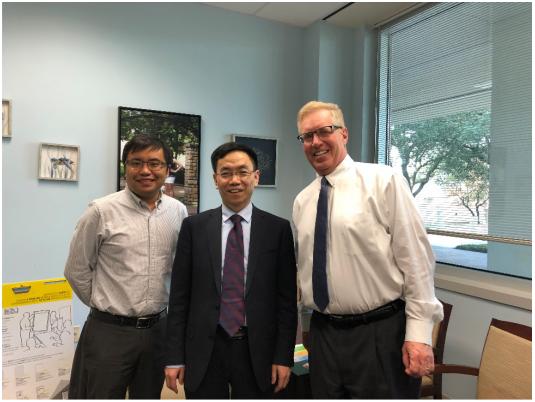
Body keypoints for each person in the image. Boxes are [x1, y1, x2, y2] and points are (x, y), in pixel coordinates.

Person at [293, 101, 444, 398]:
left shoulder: (383, 181)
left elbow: (416, 261)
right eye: (307, 136)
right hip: (323, 334)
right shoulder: (303, 201)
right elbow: (306, 269)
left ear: (344, 134)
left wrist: (419, 335)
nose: (316, 142)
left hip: (380, 333)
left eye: (324, 131)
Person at [164, 142, 297, 399]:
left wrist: (283, 357)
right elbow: (179, 298)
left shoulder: (277, 229)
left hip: (257, 350)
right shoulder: (194, 227)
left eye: (242, 172)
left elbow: (286, 302)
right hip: (205, 348)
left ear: (256, 177)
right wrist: (174, 357)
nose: (234, 180)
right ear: (216, 179)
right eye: (226, 173)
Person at [64, 134, 188, 399]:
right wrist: (106, 306)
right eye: (136, 163)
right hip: (109, 332)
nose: (145, 170)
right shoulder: (100, 211)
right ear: (125, 167)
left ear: (167, 169)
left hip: (157, 331)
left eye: (154, 163)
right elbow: (76, 270)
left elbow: (179, 268)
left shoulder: (178, 212)